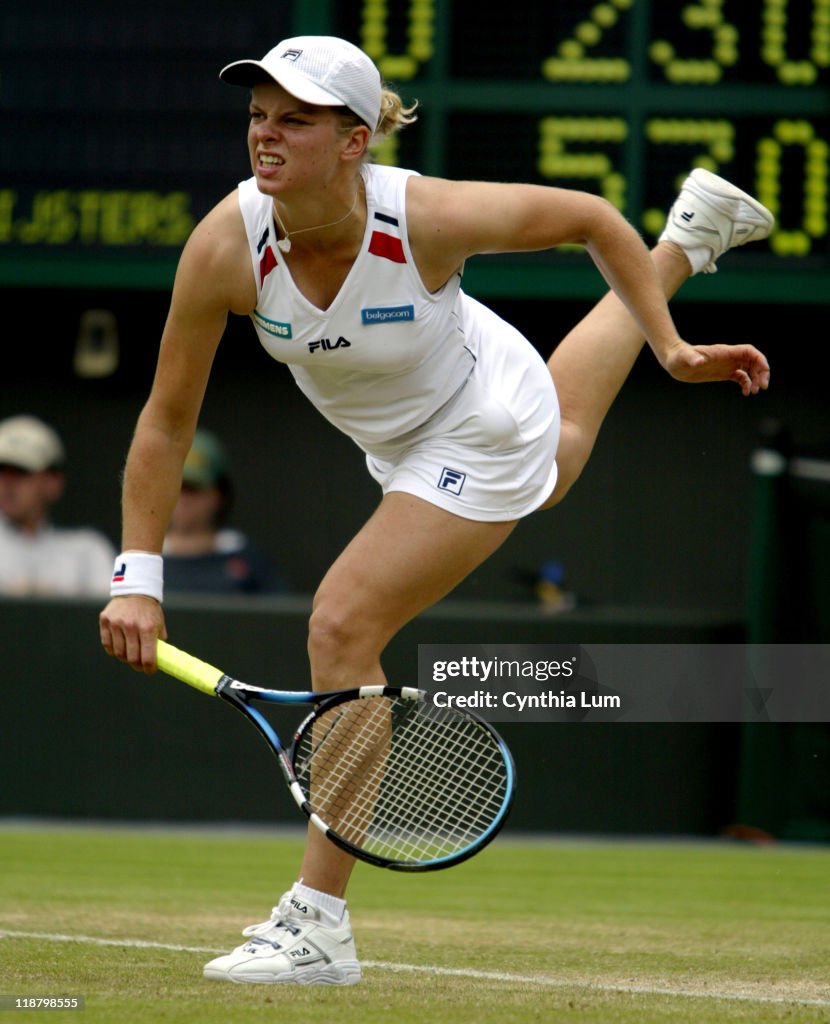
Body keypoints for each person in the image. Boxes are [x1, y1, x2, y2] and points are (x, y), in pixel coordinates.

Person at [98, 35, 774, 986]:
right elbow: (167, 422)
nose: (266, 134)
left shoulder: (423, 215)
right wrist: (138, 576)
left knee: (344, 622)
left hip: (474, 415)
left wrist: (671, 350)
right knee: (562, 446)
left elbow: (585, 214)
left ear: (354, 139)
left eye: (295, 118)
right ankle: (691, 239)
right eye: (258, 114)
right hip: (415, 425)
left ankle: (318, 923)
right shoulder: (225, 246)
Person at [0, 414, 117, 596]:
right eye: (2, 471)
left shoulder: (88, 552)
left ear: (53, 482)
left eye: (20, 472)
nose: (7, 482)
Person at [163, 427, 290, 594]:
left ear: (218, 495)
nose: (183, 499)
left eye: (193, 489)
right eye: (175, 487)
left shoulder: (249, 561)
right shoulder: (139, 561)